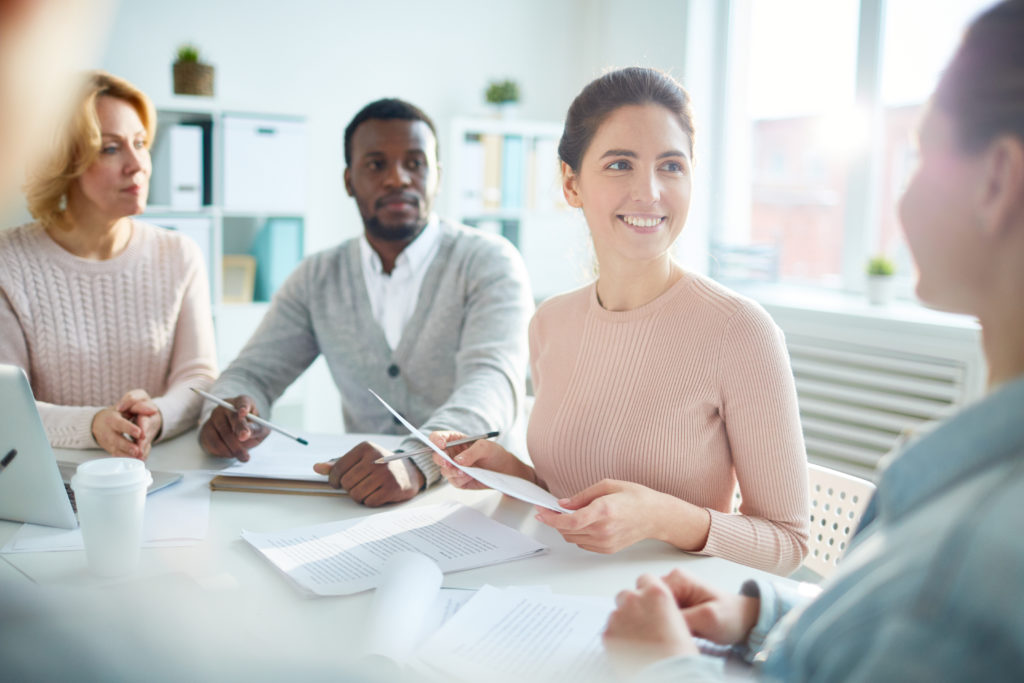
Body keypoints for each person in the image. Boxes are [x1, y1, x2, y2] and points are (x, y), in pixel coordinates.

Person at [602, 2, 1024, 680]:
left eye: (918, 155)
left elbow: (906, 600)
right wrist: (766, 612)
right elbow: (877, 619)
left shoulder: (969, 569)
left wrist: (666, 662)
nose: (903, 195)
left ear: (998, 180)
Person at [432, 67, 809, 575]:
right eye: (619, 165)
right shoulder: (550, 323)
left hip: (672, 615)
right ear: (571, 183)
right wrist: (512, 473)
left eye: (671, 166)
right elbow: (574, 498)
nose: (649, 191)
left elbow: (787, 543)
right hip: (549, 595)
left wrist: (661, 517)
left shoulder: (741, 332)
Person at [199, 98, 533, 507]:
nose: (398, 179)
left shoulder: (489, 262)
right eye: (376, 164)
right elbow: (254, 373)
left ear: (437, 177)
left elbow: (492, 385)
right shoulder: (317, 277)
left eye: (415, 163)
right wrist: (230, 411)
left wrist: (416, 460)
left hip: (477, 499)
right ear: (348, 180)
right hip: (367, 497)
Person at [0, 70, 218, 460]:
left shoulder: (179, 254)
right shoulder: (9, 261)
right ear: (63, 160)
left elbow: (198, 376)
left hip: (159, 470)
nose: (138, 165)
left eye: (141, 143)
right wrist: (94, 424)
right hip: (53, 480)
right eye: (110, 148)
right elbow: (7, 406)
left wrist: (157, 416)